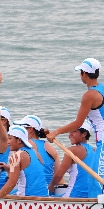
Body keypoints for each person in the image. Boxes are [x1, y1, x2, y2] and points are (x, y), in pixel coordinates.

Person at [46, 58, 103, 197]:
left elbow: (78, 123)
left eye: (80, 72)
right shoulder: (102, 88)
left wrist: (56, 132)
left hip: (102, 139)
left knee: (95, 179)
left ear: (84, 73)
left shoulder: (89, 95)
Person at [0, 125, 49, 205]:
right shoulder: (35, 153)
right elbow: (30, 172)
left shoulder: (17, 156)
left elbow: (12, 183)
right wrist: (8, 168)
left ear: (19, 140)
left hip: (28, 200)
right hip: (44, 196)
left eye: (10, 138)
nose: (7, 142)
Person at [48, 120, 102, 198]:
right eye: (69, 132)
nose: (70, 135)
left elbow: (59, 175)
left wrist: (51, 186)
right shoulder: (94, 150)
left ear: (84, 134)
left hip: (75, 195)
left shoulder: (72, 151)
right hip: (92, 196)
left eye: (74, 131)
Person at [13, 115, 61, 185]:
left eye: (20, 127)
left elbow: (15, 173)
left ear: (30, 129)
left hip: (31, 187)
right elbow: (59, 176)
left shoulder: (23, 145)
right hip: (48, 188)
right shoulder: (50, 147)